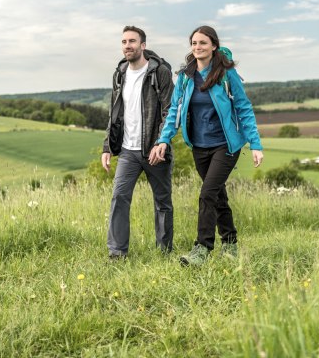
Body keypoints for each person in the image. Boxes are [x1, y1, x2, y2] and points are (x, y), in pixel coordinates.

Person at [150, 25, 263, 266]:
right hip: (199, 146)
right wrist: (163, 139)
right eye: (194, 43)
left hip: (226, 145)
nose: (197, 47)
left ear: (213, 45)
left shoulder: (226, 74)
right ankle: (230, 242)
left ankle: (202, 248)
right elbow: (174, 112)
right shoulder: (185, 77)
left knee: (207, 193)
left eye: (202, 43)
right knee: (218, 195)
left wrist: (255, 143)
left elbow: (244, 107)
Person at [102, 25, 174, 258]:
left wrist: (161, 142)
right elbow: (114, 113)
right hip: (127, 151)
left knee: (162, 202)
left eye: (132, 41)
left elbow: (169, 110)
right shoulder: (120, 73)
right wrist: (107, 147)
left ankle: (164, 251)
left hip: (155, 150)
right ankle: (117, 252)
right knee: (119, 197)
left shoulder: (159, 72)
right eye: (124, 42)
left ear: (143, 45)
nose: (127, 46)